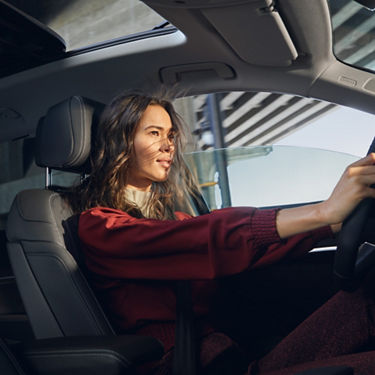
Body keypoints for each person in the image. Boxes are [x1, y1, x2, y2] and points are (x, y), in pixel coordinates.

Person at [67, 91, 375, 375]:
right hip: (187, 366)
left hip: (231, 359)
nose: (169, 144)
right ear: (120, 141)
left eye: (171, 134)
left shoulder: (174, 219)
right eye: (154, 133)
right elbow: (207, 237)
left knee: (364, 299)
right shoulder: (100, 228)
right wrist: (322, 211)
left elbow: (246, 249)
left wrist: (332, 224)